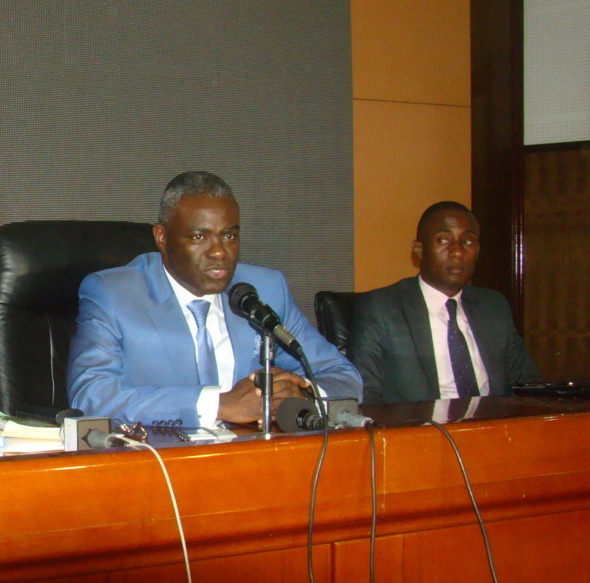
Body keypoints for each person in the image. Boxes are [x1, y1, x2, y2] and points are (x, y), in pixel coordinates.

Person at [67, 172, 362, 427]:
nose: (219, 252)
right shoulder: (114, 293)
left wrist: (299, 396)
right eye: (199, 237)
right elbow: (91, 396)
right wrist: (219, 405)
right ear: (161, 238)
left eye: (229, 236)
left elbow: (342, 375)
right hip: (161, 459)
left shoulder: (264, 289)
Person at [349, 201, 540, 404]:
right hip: (422, 423)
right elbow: (366, 396)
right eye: (443, 240)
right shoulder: (381, 309)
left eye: (467, 242)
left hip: (494, 420)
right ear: (419, 250)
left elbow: (527, 385)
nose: (457, 251)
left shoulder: (493, 306)